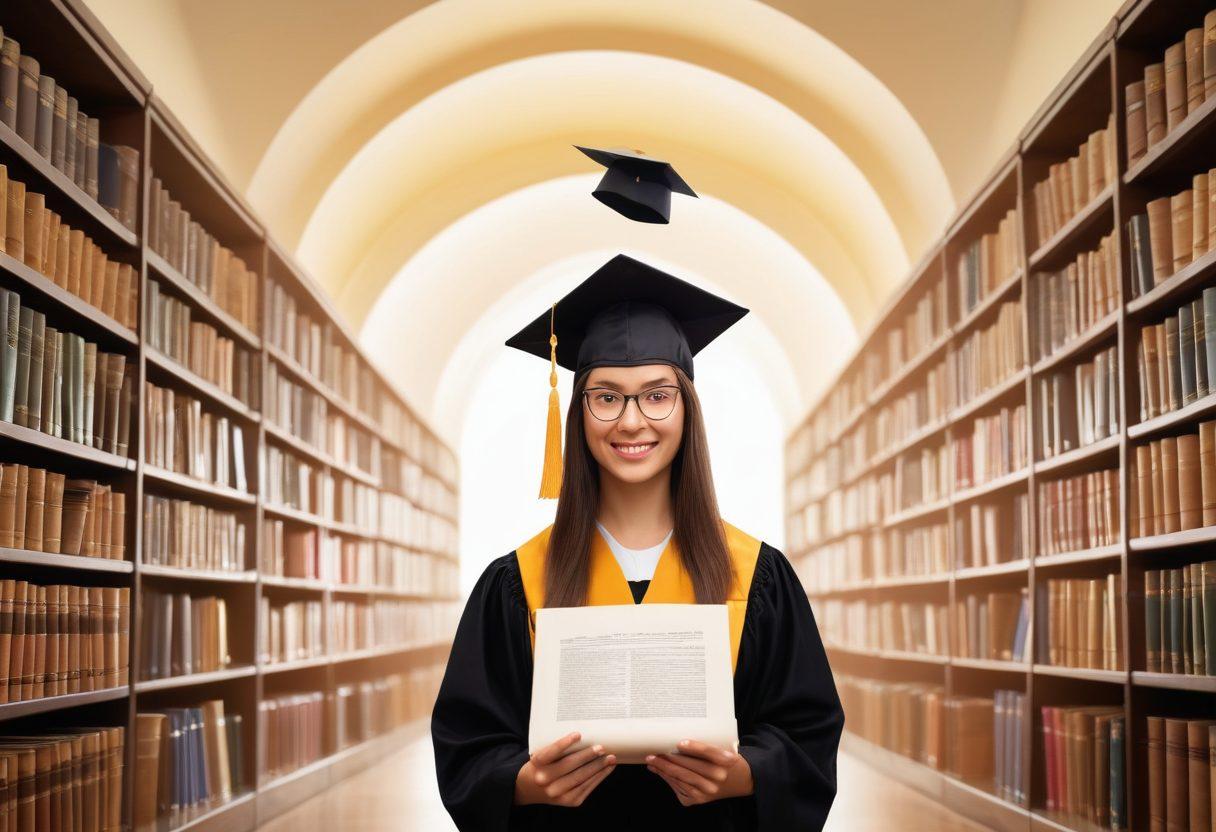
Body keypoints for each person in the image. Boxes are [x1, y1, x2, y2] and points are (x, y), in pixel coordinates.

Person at [431, 253, 844, 831]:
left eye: (656, 395)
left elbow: (808, 731)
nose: (631, 422)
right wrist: (522, 783)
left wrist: (746, 774)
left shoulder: (757, 575)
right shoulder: (517, 580)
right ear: (578, 413)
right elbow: (466, 742)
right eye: (606, 396)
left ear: (686, 410)